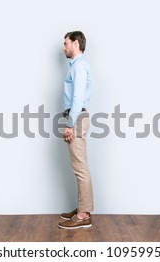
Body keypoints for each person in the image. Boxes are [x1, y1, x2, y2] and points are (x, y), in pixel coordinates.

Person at [58, 31, 94, 229]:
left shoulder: (79, 66)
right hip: (77, 117)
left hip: (77, 118)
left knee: (80, 167)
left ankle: (83, 215)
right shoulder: (78, 66)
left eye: (66, 43)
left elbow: (77, 98)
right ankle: (83, 207)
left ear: (75, 43)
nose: (63, 47)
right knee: (79, 166)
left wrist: (70, 124)